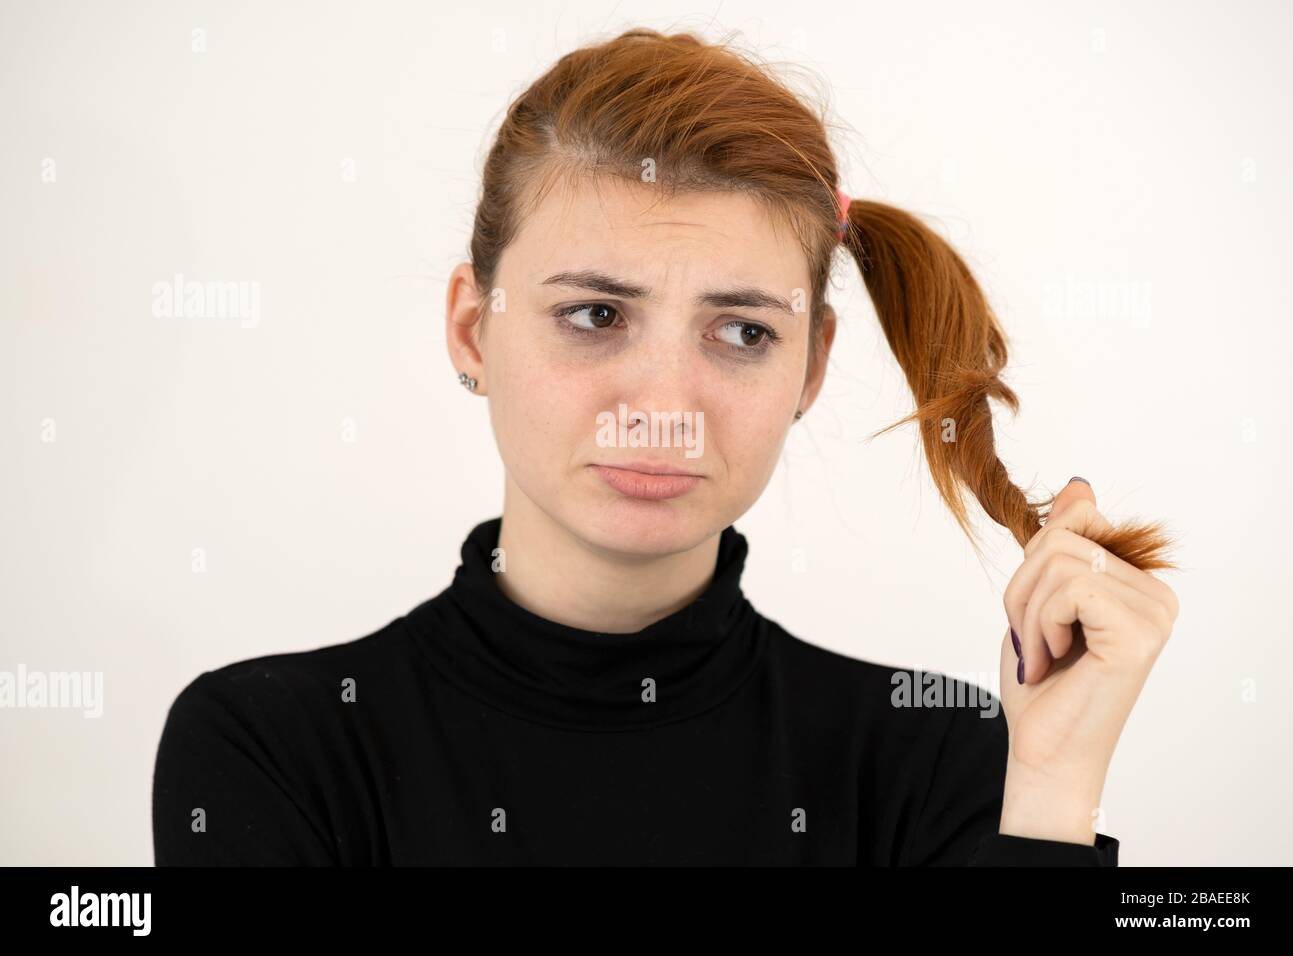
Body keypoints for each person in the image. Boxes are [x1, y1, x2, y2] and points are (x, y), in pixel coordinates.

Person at [152, 27, 1179, 866]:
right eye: (595, 314)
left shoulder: (943, 759)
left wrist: (1051, 782)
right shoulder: (273, 745)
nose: (663, 404)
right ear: (474, 328)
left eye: (742, 332)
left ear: (811, 367)